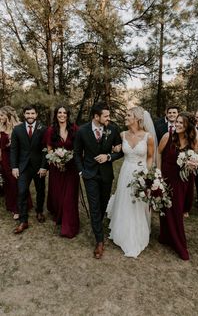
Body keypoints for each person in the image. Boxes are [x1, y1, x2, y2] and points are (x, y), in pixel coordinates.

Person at [74, 102, 123, 259]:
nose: (109, 118)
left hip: (106, 174)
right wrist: (82, 171)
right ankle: (99, 240)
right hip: (90, 174)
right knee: (94, 206)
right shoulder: (82, 131)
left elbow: (121, 151)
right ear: (96, 116)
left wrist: (108, 156)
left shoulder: (113, 129)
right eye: (106, 115)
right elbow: (76, 153)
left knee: (103, 203)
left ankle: (97, 225)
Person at [106, 107, 155, 258]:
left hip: (141, 172)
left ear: (137, 118)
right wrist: (115, 148)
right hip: (126, 171)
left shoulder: (148, 137)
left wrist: (146, 174)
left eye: (128, 115)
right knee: (125, 200)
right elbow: (116, 149)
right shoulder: (122, 134)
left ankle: (137, 233)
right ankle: (122, 231)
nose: (125, 117)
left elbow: (150, 157)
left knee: (138, 203)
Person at [157, 112, 198, 260]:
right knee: (165, 207)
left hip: (183, 179)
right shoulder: (167, 136)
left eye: (181, 123)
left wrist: (194, 164)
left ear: (188, 126)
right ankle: (166, 237)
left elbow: (196, 158)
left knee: (176, 209)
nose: (177, 124)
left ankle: (178, 243)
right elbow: (159, 153)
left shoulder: (193, 141)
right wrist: (158, 174)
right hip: (167, 175)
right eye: (176, 122)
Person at [10, 104, 47, 233]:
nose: (30, 116)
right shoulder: (17, 129)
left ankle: (39, 211)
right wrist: (14, 167)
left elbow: (46, 150)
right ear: (24, 115)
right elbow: (14, 150)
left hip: (38, 167)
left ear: (36, 115)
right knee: (21, 192)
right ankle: (23, 221)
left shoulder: (43, 129)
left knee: (40, 190)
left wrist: (44, 166)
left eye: (32, 113)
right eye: (27, 114)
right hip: (23, 167)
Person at [45, 105, 80, 238]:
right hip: (56, 168)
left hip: (71, 168)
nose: (62, 115)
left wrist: (72, 159)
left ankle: (69, 227)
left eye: (64, 113)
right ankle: (59, 216)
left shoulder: (74, 129)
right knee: (58, 194)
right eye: (59, 112)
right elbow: (49, 147)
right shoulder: (51, 130)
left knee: (69, 196)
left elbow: (78, 147)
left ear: (68, 115)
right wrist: (55, 160)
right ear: (56, 115)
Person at [0, 106, 32, 219]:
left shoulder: (19, 127)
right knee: (8, 183)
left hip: (16, 159)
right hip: (4, 159)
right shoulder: (1, 127)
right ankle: (11, 204)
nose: (0, 117)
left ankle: (18, 208)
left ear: (8, 115)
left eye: (2, 115)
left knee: (16, 183)